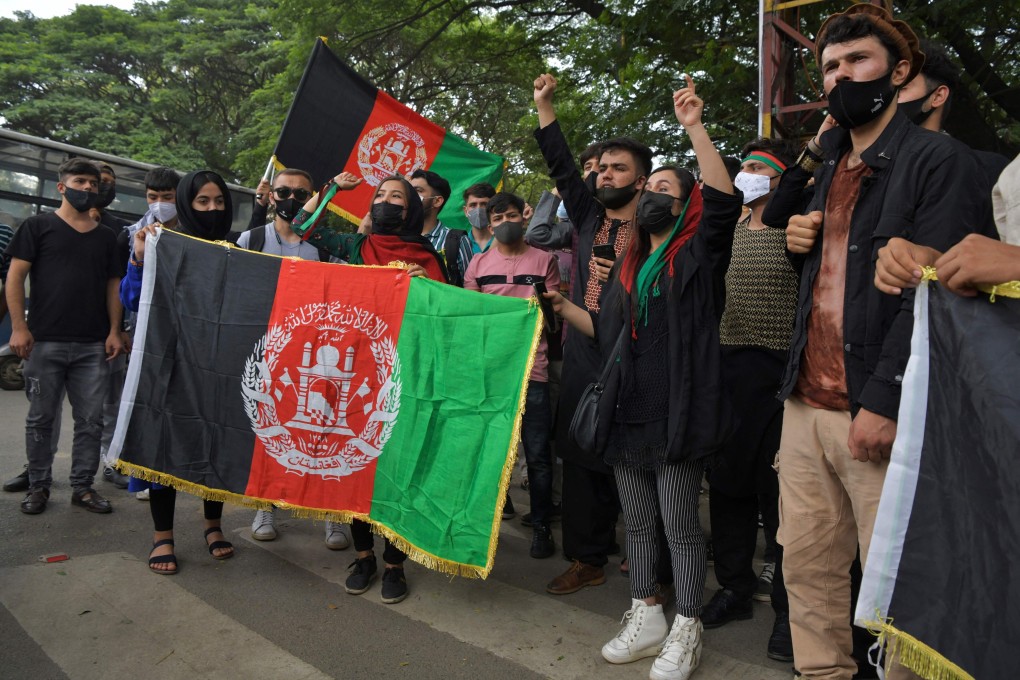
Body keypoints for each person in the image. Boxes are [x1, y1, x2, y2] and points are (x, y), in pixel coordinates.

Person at [766, 5, 997, 678]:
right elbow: (822, 273)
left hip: (876, 406)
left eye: (857, 61)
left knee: (901, 583)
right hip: (804, 402)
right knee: (807, 565)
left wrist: (887, 400)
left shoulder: (938, 161)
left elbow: (939, 293)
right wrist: (794, 242)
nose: (842, 76)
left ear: (899, 73)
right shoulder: (828, 161)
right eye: (830, 67)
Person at [545, 74, 740, 680]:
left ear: (684, 204)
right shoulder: (629, 263)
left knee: (681, 527)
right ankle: (645, 610)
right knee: (639, 521)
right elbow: (603, 330)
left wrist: (694, 127)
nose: (650, 194)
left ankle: (687, 626)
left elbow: (724, 202)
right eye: (647, 186)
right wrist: (556, 304)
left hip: (675, 411)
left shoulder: (696, 254)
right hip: (626, 409)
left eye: (661, 186)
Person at [290, 171, 447, 604]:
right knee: (356, 465)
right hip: (355, 378)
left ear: (412, 209)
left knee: (397, 471)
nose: (386, 202)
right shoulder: (357, 247)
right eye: (380, 195)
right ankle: (363, 557)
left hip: (405, 379)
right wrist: (333, 189)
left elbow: (448, 319)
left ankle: (395, 563)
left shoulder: (429, 257)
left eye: (398, 196)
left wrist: (426, 287)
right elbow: (302, 226)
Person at [533, 72, 654, 597]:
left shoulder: (657, 229)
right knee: (581, 456)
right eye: (601, 168)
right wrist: (545, 107)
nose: (605, 176)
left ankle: (650, 562)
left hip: (639, 355)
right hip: (583, 353)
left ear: (642, 180)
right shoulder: (585, 219)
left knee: (636, 458)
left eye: (617, 168)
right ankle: (587, 558)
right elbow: (561, 168)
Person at [122, 170, 238, 574]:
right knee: (164, 448)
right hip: (168, 364)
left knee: (213, 443)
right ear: (188, 203)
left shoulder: (235, 250)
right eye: (202, 201)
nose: (211, 208)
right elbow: (134, 298)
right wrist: (139, 256)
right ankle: (162, 537)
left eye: (219, 202)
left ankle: (213, 526)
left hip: (216, 366)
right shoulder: (162, 243)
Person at [5, 158, 126, 515]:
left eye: (93, 183)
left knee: (91, 421)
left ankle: (83, 487)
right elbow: (14, 278)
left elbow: (113, 286)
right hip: (44, 343)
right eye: (80, 181)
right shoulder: (36, 227)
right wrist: (19, 326)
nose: (88, 188)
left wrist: (114, 331)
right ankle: (39, 486)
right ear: (62, 186)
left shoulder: (107, 238)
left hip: (93, 346)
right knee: (40, 419)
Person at [237, 167, 349, 549]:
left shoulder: (325, 246)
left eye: (301, 195)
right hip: (265, 353)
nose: (291, 200)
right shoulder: (250, 239)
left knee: (322, 430)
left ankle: (331, 514)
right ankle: (265, 504)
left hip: (315, 355)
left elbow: (351, 291)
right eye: (283, 192)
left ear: (313, 198)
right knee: (267, 429)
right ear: (270, 196)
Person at [464, 191, 560, 559]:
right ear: (490, 224)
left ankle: (540, 526)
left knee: (537, 455)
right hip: (490, 373)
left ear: (525, 215)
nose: (505, 223)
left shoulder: (545, 260)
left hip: (532, 370)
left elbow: (554, 316)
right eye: (497, 218)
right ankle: (491, 520)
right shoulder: (476, 264)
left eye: (511, 216)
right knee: (491, 449)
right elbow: (471, 318)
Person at [897, 40, 1009, 191]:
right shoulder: (864, 172)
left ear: (937, 96)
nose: (888, 98)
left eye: (902, 88)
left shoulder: (991, 172)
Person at [410, 169, 473, 287]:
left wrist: (432, 282)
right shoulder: (397, 237)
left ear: (437, 201)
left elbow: (470, 293)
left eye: (418, 191)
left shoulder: (457, 241)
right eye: (408, 190)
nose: (409, 195)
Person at [462, 182, 496, 255]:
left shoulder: (504, 242)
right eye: (473, 205)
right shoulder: (459, 244)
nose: (478, 210)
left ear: (494, 209)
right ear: (465, 211)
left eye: (484, 204)